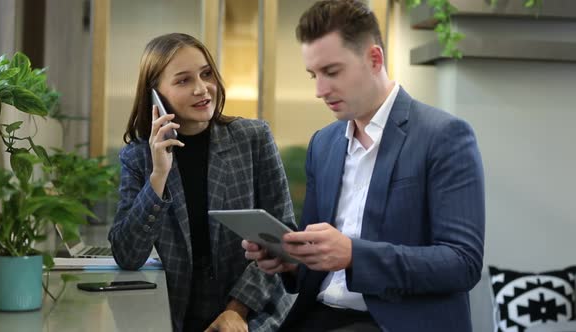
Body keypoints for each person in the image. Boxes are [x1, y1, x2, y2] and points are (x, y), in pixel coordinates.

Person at [243, 1, 485, 331]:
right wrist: (290, 261)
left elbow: (462, 264)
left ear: (374, 59)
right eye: (314, 75)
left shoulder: (444, 136)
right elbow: (317, 264)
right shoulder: (323, 144)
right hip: (318, 315)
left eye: (332, 72)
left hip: (395, 322)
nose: (319, 90)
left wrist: (354, 254)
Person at [109, 33, 296, 332]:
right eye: (183, 80)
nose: (202, 89)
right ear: (156, 94)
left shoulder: (253, 138)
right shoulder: (138, 157)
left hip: (253, 313)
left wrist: (237, 310)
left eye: (206, 74)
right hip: (176, 316)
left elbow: (281, 240)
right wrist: (158, 176)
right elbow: (127, 255)